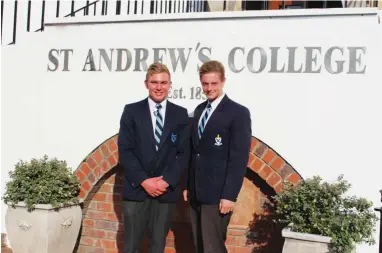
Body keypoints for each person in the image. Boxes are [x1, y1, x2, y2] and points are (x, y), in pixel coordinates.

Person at [117, 62, 190, 253]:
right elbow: (125, 151)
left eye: (164, 82)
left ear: (170, 84)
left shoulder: (180, 114)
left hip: (165, 192)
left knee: (158, 245)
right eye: (154, 82)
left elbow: (183, 154)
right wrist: (144, 180)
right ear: (146, 84)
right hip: (136, 191)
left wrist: (166, 181)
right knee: (132, 246)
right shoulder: (131, 111)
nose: (159, 87)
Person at [183, 60, 252, 253]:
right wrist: (189, 185)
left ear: (223, 81)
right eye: (205, 84)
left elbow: (238, 158)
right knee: (199, 245)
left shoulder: (238, 113)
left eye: (214, 83)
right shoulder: (199, 111)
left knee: (213, 247)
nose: (209, 88)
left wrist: (229, 195)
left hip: (217, 196)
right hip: (196, 192)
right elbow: (194, 151)